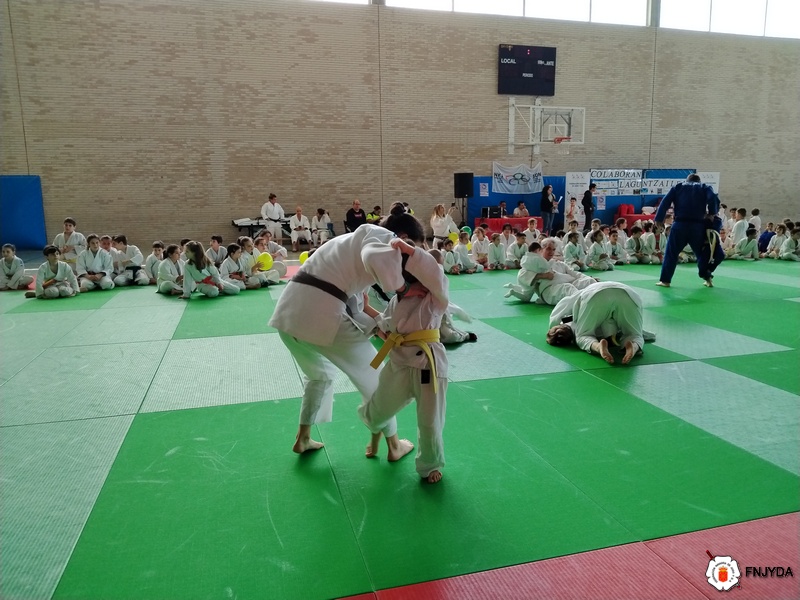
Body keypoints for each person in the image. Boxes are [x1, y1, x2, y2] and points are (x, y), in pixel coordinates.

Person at [269, 212, 426, 454]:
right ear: (402, 238)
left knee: (319, 375)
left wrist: (379, 327)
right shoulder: (382, 237)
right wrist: (404, 289)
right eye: (413, 248)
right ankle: (394, 446)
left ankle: (303, 438)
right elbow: (353, 302)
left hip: (288, 312)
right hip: (320, 312)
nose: (411, 257)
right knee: (377, 378)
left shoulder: (350, 245)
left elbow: (355, 309)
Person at [358, 241, 449, 483]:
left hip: (428, 364)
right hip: (399, 360)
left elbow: (436, 275)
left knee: (430, 421)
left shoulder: (436, 298)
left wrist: (411, 250)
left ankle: (430, 464)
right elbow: (387, 327)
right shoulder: (396, 301)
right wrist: (368, 310)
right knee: (379, 408)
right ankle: (373, 423)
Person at [547, 281, 649, 365]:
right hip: (628, 293)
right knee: (635, 334)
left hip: (596, 296)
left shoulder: (569, 323)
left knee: (583, 335)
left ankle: (598, 347)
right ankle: (634, 346)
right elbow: (558, 315)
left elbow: (557, 320)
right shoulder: (561, 318)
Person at [654, 174, 721, 287]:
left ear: (687, 180)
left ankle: (665, 281)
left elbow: (665, 202)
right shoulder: (704, 187)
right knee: (701, 254)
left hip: (679, 225)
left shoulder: (678, 187)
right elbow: (713, 198)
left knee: (671, 253)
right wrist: (711, 213)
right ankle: (708, 278)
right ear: (699, 181)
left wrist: (659, 219)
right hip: (698, 226)